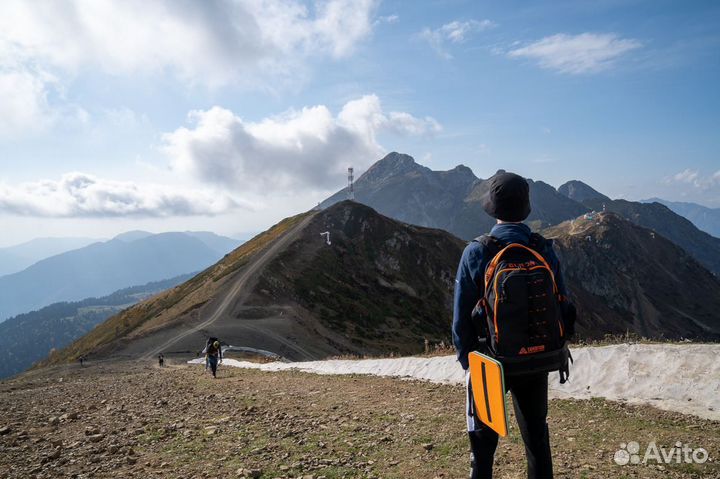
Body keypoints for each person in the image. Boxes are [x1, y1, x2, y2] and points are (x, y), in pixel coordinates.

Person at [452, 171, 575, 479]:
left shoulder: (477, 251)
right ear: (526, 208)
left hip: (490, 361)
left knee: (483, 445)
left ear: (492, 208)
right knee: (536, 438)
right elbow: (562, 300)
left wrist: (468, 360)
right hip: (537, 358)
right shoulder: (542, 247)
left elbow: (461, 313)